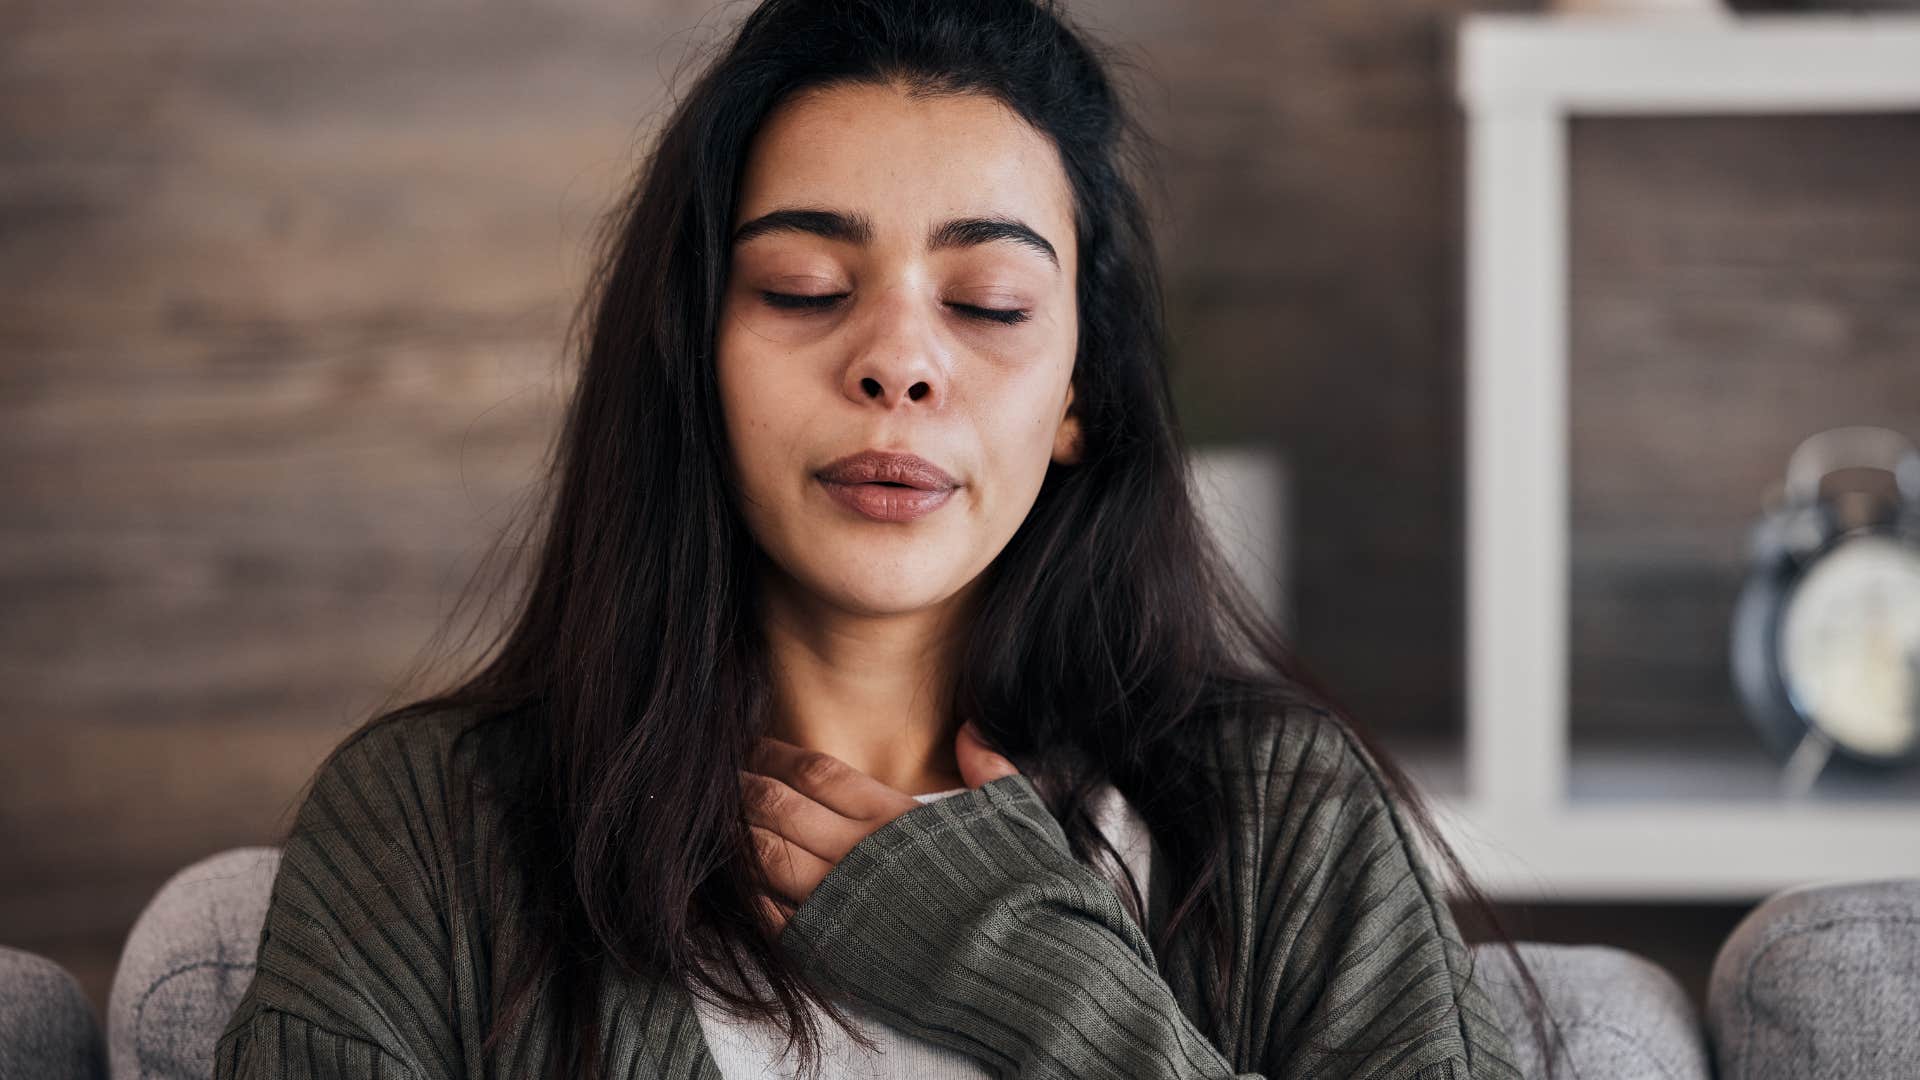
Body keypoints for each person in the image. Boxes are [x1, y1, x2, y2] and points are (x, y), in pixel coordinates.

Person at [213, 0, 1565, 1077]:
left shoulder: (1286, 823)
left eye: (987, 301)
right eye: (805, 287)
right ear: (695, 355)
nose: (899, 362)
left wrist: (1055, 999)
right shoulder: (429, 833)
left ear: (1082, 397)